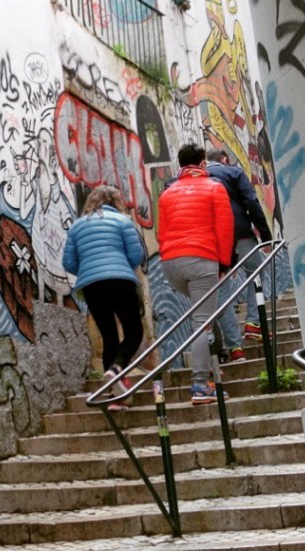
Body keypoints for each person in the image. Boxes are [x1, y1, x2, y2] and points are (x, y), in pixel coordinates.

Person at [157, 143, 234, 405]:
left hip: (171, 264)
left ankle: (213, 360)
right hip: (201, 260)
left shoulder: (167, 194)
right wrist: (223, 265)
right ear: (202, 164)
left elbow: (162, 233)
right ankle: (201, 384)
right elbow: (224, 230)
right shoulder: (214, 188)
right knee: (202, 322)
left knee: (205, 314)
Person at [63, 185, 146, 411]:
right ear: (115, 202)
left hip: (92, 286)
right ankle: (117, 370)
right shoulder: (122, 221)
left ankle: (115, 396)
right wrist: (120, 267)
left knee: (109, 336)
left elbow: (68, 263)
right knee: (134, 332)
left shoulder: (77, 227)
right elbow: (137, 254)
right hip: (120, 280)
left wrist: (90, 270)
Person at [206, 147, 274, 353]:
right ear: (224, 158)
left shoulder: (198, 178)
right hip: (239, 232)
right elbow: (251, 202)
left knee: (222, 288)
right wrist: (266, 236)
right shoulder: (233, 172)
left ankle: (235, 347)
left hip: (212, 240)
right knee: (256, 272)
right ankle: (254, 322)